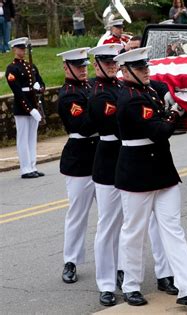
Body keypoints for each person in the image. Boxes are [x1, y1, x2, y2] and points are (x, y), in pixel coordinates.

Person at [113, 46, 187, 308]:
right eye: (139, 68)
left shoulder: (146, 89)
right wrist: (175, 112)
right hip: (136, 173)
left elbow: (162, 86)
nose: (146, 71)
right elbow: (160, 131)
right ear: (124, 72)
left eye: (146, 66)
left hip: (162, 171)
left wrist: (178, 90)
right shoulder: (130, 99)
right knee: (134, 231)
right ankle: (131, 286)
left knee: (173, 230)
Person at [56, 47, 98, 284]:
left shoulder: (91, 86)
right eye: (78, 66)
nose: (83, 70)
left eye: (84, 66)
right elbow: (83, 124)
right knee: (77, 214)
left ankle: (116, 263)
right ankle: (70, 261)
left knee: (112, 216)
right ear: (66, 68)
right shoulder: (68, 95)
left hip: (101, 157)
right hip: (79, 160)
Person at [87, 44, 124, 307]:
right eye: (107, 62)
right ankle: (106, 284)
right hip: (108, 159)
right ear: (97, 65)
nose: (112, 66)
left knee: (127, 225)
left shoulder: (121, 88)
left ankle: (123, 271)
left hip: (127, 158)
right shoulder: (98, 93)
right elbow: (115, 120)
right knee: (107, 225)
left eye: (114, 62)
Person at [5, 37, 45, 179]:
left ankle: (33, 166)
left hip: (34, 103)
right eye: (20, 49)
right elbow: (18, 92)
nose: (22, 51)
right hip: (22, 108)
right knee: (23, 139)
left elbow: (41, 82)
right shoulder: (12, 69)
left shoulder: (31, 66)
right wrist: (30, 109)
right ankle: (25, 169)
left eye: (23, 49)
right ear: (14, 50)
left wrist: (39, 88)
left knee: (32, 138)